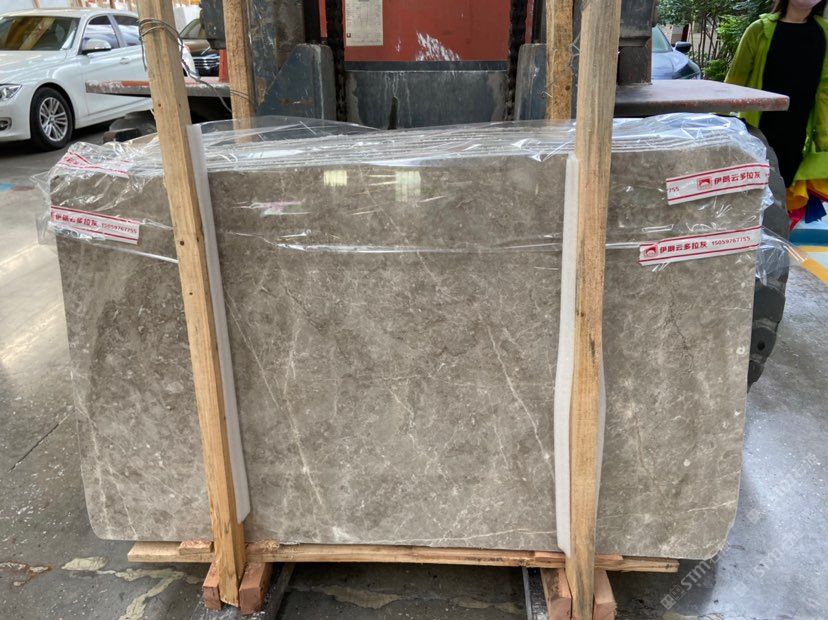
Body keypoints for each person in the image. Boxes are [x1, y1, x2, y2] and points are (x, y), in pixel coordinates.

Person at [725, 0, 828, 228]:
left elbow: (825, 93)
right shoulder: (759, 30)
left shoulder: (825, 33)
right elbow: (733, 84)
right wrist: (716, 134)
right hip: (757, 136)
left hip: (798, 138)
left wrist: (824, 144)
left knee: (782, 209)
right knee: (750, 203)